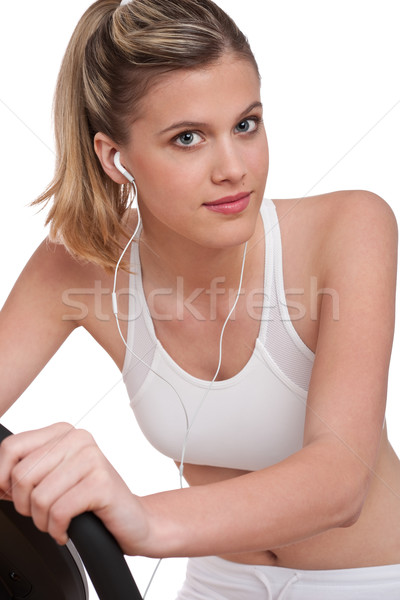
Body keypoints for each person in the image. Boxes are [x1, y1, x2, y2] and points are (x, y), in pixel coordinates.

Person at [0, 0, 399, 598]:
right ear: (115, 157)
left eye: (246, 124)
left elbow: (341, 482)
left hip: (371, 580)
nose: (234, 168)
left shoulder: (351, 228)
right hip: (217, 584)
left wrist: (141, 516)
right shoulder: (76, 266)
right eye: (188, 138)